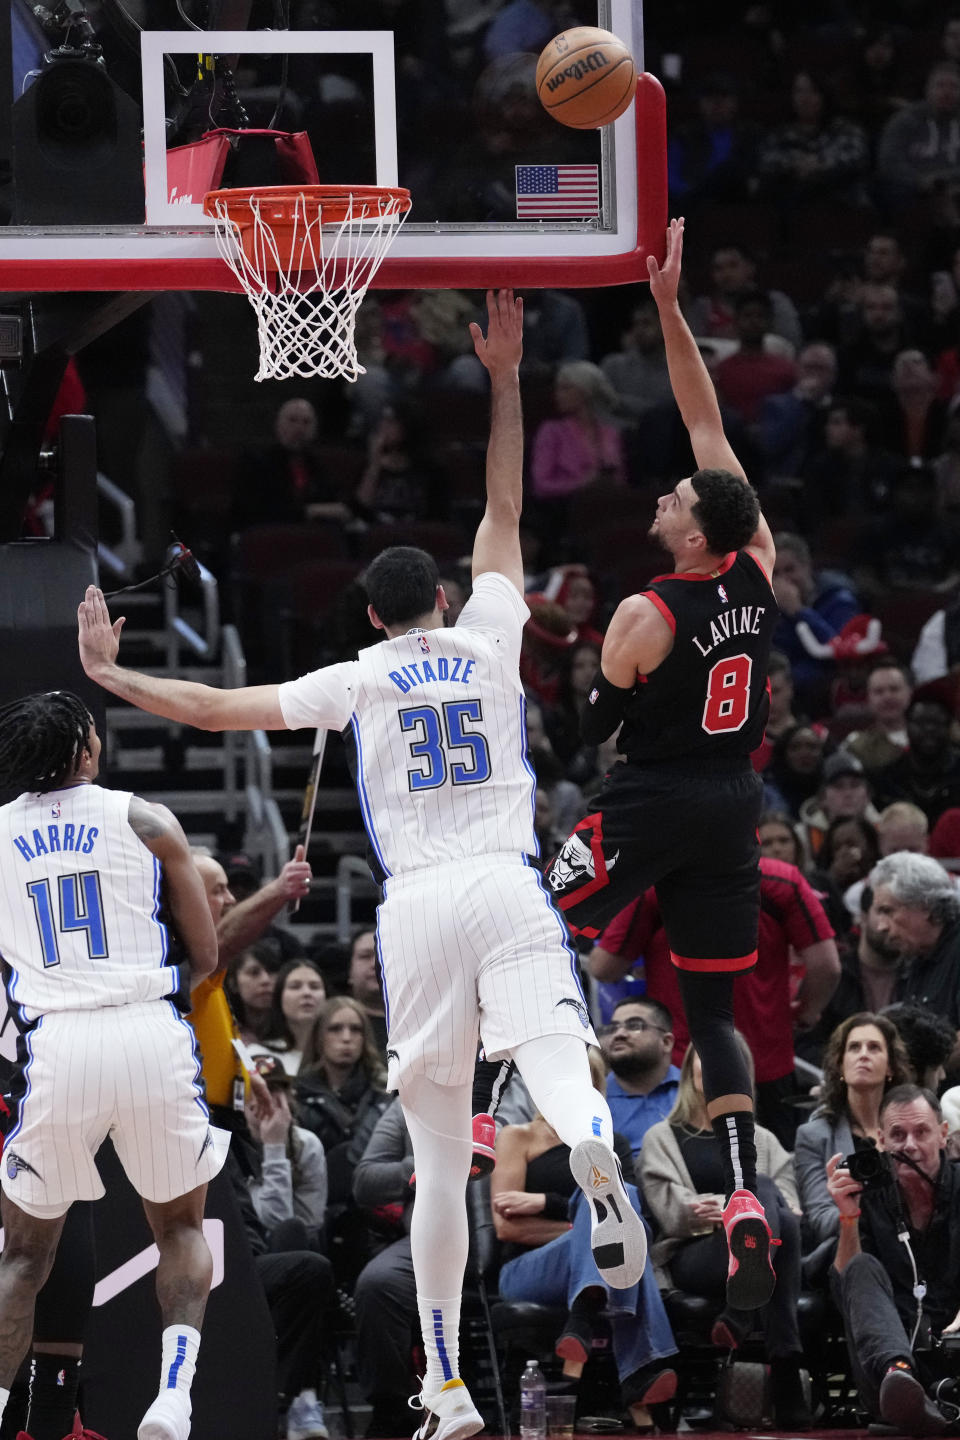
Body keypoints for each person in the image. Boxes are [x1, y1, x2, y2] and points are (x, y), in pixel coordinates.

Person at [79, 290, 648, 1439]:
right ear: (441, 602)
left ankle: (443, 1390)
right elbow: (502, 503)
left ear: (374, 617)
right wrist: (503, 375)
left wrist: (118, 678)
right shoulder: (493, 634)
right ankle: (591, 1141)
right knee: (551, 1052)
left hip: (420, 906)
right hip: (504, 877)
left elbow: (218, 706)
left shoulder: (356, 679)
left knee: (439, 1165)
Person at [543, 217, 780, 1312]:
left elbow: (594, 729)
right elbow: (706, 416)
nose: (663, 498)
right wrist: (672, 310)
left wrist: (593, 683)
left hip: (650, 796)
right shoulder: (759, 563)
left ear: (693, 538)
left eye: (674, 502)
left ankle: (560, 1133)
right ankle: (739, 1196)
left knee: (544, 920)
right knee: (715, 1014)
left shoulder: (646, 610)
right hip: (735, 804)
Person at [0, 691, 225, 1440]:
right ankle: (173, 1396)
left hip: (57, 1044)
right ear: (86, 753)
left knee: (25, 1258)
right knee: (181, 1229)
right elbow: (208, 955)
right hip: (147, 1028)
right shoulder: (148, 819)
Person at [591, 855, 840, 1150]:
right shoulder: (782, 879)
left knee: (687, 1171)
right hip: (766, 1064)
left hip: (687, 1067)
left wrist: (647, 956)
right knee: (769, 1169)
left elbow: (603, 967)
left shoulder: (658, 879)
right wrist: (806, 1011)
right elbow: (828, 967)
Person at [493, 1050, 679, 1428]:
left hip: (598, 1263)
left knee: (618, 1208)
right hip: (527, 1270)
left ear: (597, 1089)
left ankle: (585, 1314)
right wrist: (586, 1232)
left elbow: (626, 1226)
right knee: (611, 1217)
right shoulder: (517, 1137)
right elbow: (506, 1228)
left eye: (585, 1081)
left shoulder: (614, 1144)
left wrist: (547, 1205)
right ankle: (646, 1365)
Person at [640, 1040, 811, 1430]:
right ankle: (778, 1355)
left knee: (767, 1196)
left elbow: (792, 1207)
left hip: (762, 1246)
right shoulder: (661, 1137)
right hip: (695, 1255)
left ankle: (745, 1314)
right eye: (708, 1059)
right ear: (689, 1072)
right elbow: (674, 1214)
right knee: (762, 1196)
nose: (717, 1068)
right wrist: (736, 1208)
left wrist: (721, 1207)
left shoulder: (763, 1139)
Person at [826, 1084, 960, 1434]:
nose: (910, 1146)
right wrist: (848, 1217)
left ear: (943, 1135)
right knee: (860, 1266)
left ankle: (926, 1408)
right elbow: (846, 1290)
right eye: (898, 1135)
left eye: (921, 1132)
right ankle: (900, 1377)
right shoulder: (870, 1195)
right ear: (882, 1141)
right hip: (888, 1373)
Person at [794, 1011, 911, 1263]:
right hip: (847, 1252)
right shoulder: (814, 1136)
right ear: (840, 1065)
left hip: (908, 1246)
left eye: (874, 1047)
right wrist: (853, 1207)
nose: (863, 1054)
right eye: (854, 1047)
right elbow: (821, 1222)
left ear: (890, 1066)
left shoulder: (909, 1131)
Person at [869, 852, 960, 1050]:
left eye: (888, 911)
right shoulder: (917, 954)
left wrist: (910, 1066)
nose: (881, 927)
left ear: (925, 906)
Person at [258, 959, 328, 1077]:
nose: (307, 993)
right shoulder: (260, 1054)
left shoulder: (338, 1057)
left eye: (315, 987)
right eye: (295, 987)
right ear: (279, 998)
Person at [346, 927, 388, 1054]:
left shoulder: (425, 1023)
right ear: (349, 970)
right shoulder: (332, 1022)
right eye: (365, 956)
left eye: (385, 955)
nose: (376, 964)